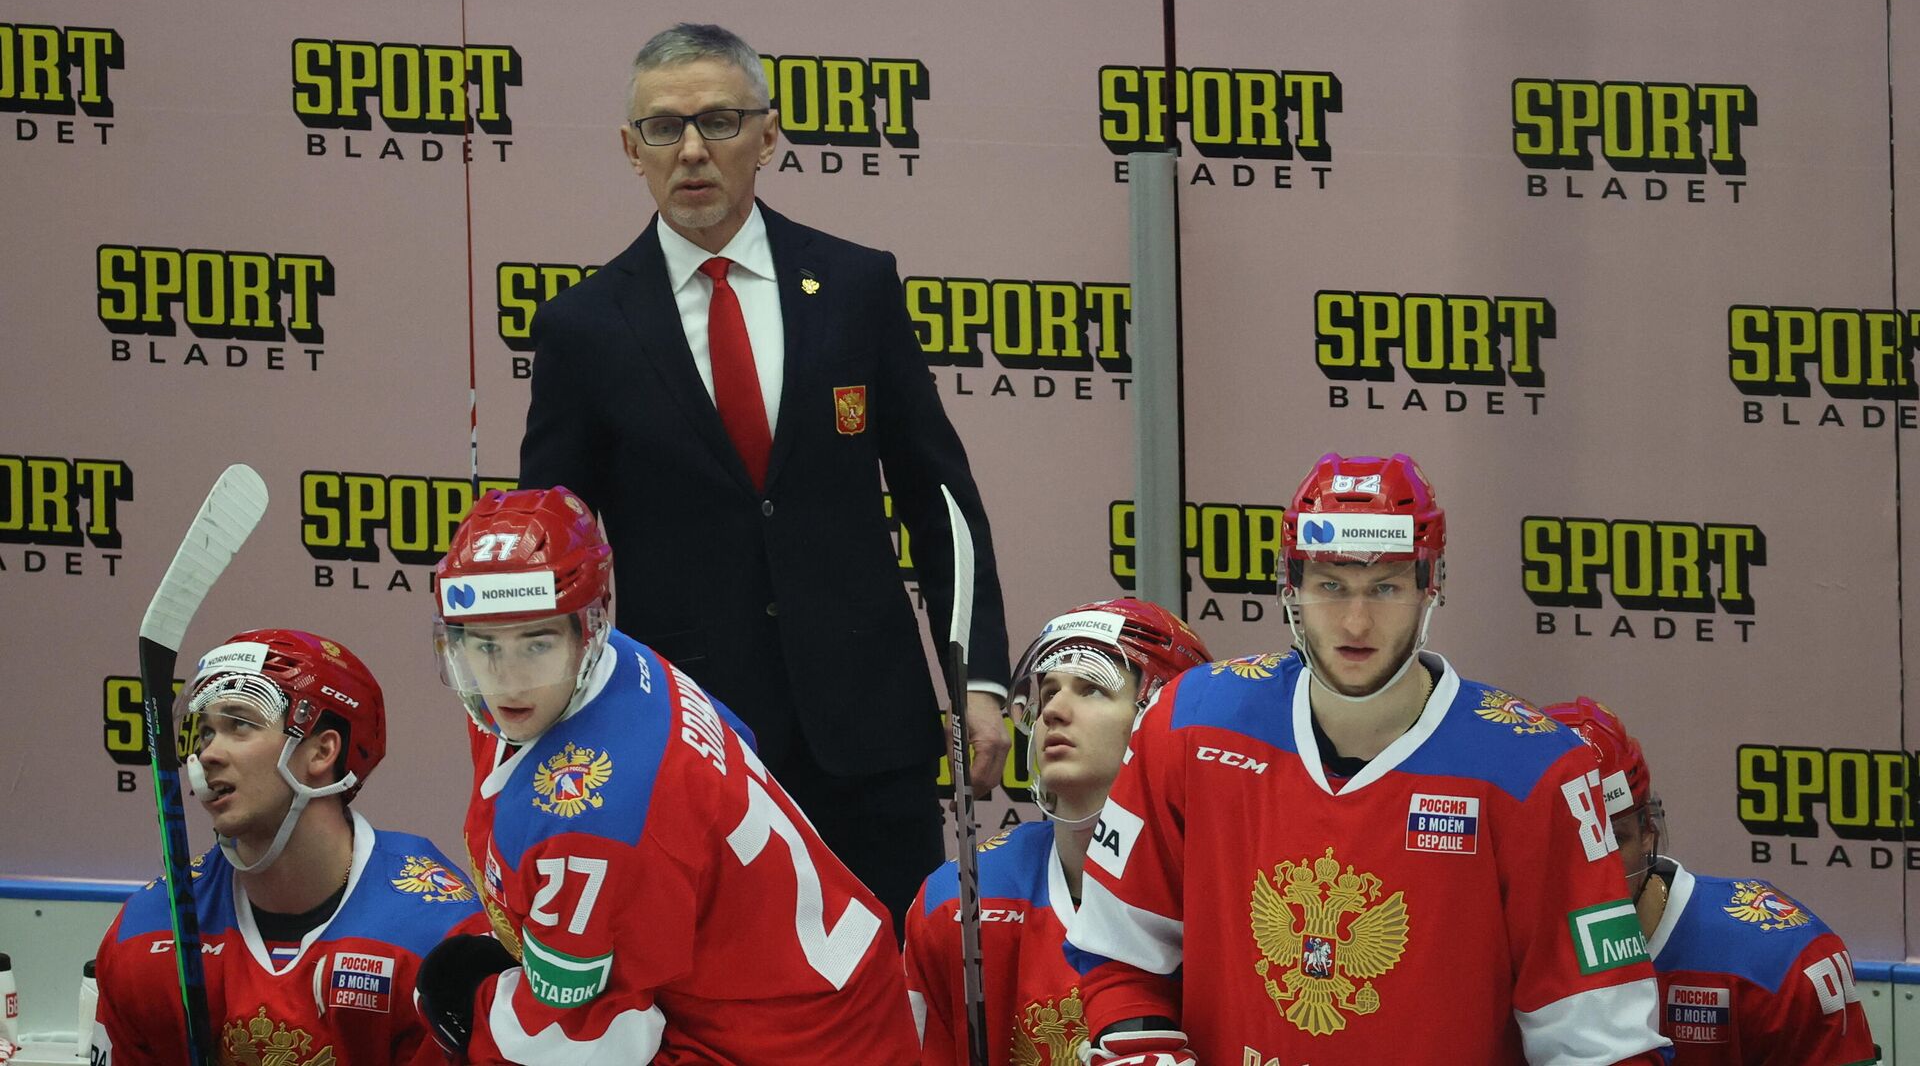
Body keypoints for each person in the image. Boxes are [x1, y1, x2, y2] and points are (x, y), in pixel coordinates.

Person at [516, 21, 1010, 932]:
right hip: (687, 745)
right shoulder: (582, 328)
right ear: (631, 150)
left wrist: (978, 677)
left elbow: (939, 499)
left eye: (721, 120)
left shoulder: (858, 286)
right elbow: (551, 554)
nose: (693, 149)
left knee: (895, 994)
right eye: (664, 128)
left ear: (769, 136)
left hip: (869, 737)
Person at [1065, 453, 1668, 1066]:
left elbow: (1605, 1044)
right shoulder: (1190, 723)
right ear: (1291, 586)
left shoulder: (1537, 771)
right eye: (1332, 585)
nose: (1356, 621)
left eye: (1385, 587)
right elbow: (1120, 953)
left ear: (1430, 586)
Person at [414, 487, 919, 1065]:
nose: (508, 681)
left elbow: (586, 1037)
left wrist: (480, 1016)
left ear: (588, 626)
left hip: (794, 1046)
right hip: (818, 995)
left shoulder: (597, 819)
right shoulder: (616, 663)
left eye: (537, 643)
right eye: (484, 646)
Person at [90, 629, 484, 1066]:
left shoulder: (435, 930)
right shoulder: (146, 933)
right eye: (204, 733)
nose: (208, 755)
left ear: (321, 752)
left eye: (240, 724)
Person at [904, 599, 1211, 1066]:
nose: (1053, 711)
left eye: (1091, 689)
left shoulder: (1232, 894)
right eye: (1047, 692)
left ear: (1166, 717)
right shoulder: (960, 897)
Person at [1541, 697, 1877, 1065]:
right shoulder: (1483, 954)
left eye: (1610, 839)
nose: (1587, 866)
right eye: (1558, 843)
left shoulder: (1779, 960)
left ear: (1648, 832)